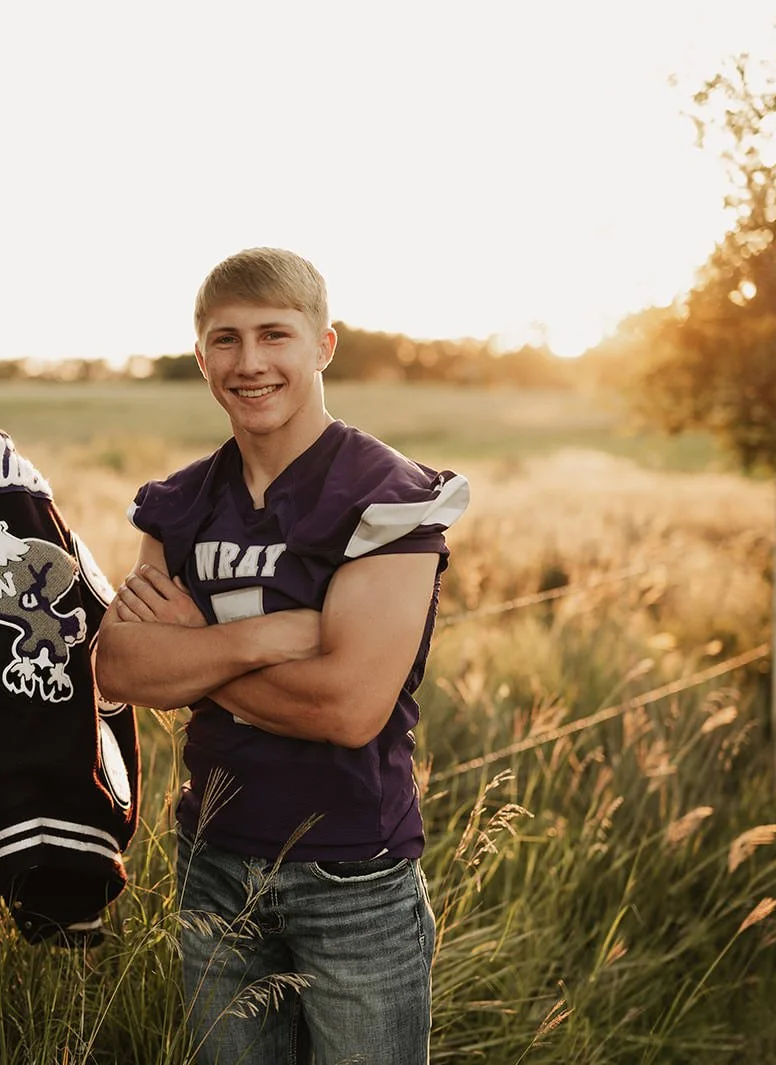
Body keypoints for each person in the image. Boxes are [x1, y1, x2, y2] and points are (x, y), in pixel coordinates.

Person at [95, 248, 469, 1063]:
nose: (251, 361)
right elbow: (119, 669)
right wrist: (258, 637)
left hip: (352, 875)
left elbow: (346, 706)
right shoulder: (181, 504)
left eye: (275, 334)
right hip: (214, 859)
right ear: (202, 360)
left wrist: (191, 657)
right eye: (225, 340)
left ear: (323, 345)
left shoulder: (388, 496)